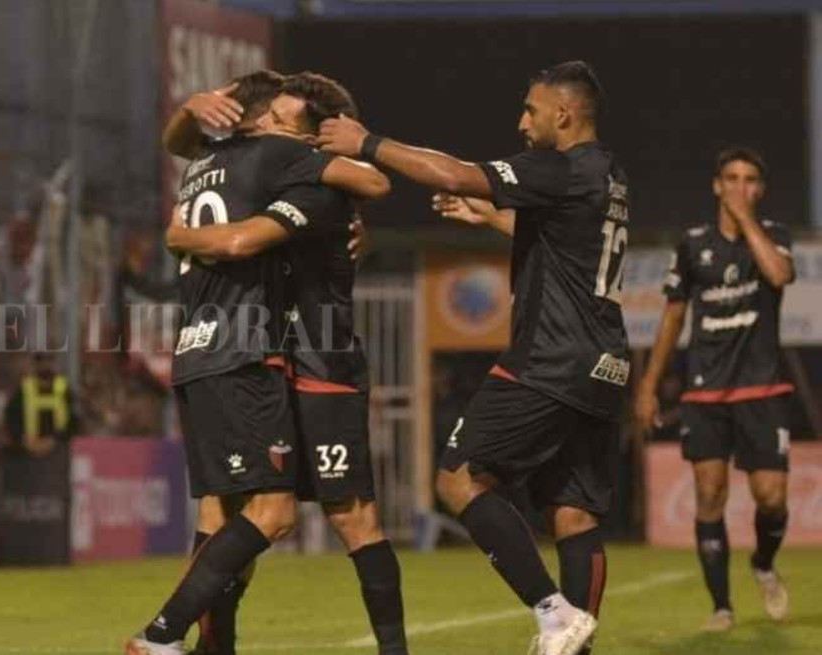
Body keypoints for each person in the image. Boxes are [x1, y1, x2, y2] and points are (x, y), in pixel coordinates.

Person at [318, 60, 625, 655]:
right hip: (602, 362)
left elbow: (456, 174)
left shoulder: (560, 166)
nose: (522, 122)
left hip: (549, 358)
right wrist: (495, 217)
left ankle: (553, 614)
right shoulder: (608, 174)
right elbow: (569, 250)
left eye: (531, 110)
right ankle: (572, 642)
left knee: (458, 479)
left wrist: (368, 143)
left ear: (564, 114)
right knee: (574, 515)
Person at [126, 72, 390, 655]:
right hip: (247, 352)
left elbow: (178, 141)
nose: (271, 120)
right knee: (273, 513)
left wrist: (189, 113)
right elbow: (372, 179)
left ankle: (210, 649)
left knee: (220, 514)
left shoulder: (206, 163)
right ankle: (161, 635)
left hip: (201, 350)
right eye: (271, 112)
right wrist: (344, 158)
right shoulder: (274, 153)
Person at [633, 148, 794, 631]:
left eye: (750, 179)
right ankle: (721, 607)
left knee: (771, 497)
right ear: (716, 186)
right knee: (709, 492)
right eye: (732, 178)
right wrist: (648, 386)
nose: (741, 186)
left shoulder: (774, 236)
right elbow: (673, 317)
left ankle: (763, 563)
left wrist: (745, 222)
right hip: (705, 391)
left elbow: (779, 275)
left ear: (760, 190)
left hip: (762, 389)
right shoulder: (692, 245)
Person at [3, 352, 80, 456]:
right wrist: (23, 439)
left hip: (58, 451)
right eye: (40, 360)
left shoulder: (64, 389)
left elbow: (74, 421)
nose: (45, 365)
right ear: (34, 364)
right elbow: (12, 417)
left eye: (49, 360)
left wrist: (56, 440)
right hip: (28, 453)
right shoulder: (24, 389)